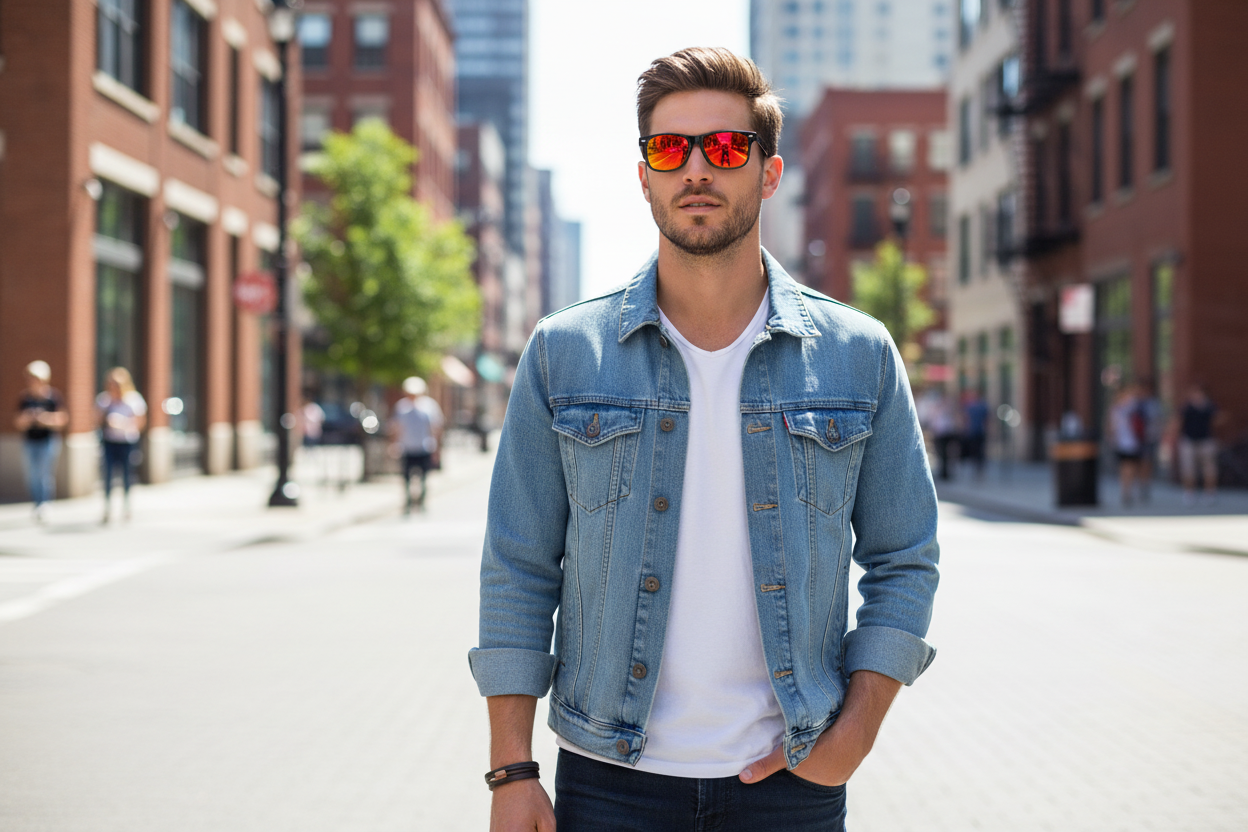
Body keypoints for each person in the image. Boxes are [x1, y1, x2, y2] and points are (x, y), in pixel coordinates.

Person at [470, 48, 940, 832]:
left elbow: (905, 557)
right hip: (608, 782)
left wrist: (854, 734)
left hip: (792, 784)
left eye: (725, 148)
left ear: (768, 172)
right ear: (644, 173)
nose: (697, 169)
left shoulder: (858, 353)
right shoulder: (564, 352)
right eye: (670, 148)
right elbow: (518, 568)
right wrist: (511, 771)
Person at [15, 360, 68, 523]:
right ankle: (37, 503)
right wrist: (28, 418)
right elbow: (18, 422)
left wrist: (45, 419)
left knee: (44, 474)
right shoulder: (25, 398)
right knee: (32, 474)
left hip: (48, 440)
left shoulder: (53, 397)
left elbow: (63, 419)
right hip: (30, 440)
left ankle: (45, 504)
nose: (32, 382)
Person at [96, 367, 147, 523]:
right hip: (109, 441)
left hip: (127, 442)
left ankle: (126, 507)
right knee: (108, 475)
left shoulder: (133, 400)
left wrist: (123, 423)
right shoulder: (104, 400)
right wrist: (106, 419)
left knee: (126, 475)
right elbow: (96, 420)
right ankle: (107, 507)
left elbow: (141, 423)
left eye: (117, 384)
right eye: (111, 384)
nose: (114, 388)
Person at [390, 376, 443, 513]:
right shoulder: (402, 407)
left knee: (424, 477)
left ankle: (422, 501)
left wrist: (437, 449)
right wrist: (394, 444)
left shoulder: (429, 406)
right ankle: (408, 501)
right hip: (407, 447)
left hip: (424, 446)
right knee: (406, 477)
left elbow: (436, 428)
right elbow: (397, 427)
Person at [1176, 383, 1220, 505]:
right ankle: (1189, 494)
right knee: (1188, 469)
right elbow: (1179, 422)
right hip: (1189, 440)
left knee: (1209, 469)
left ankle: (1210, 493)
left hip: (1206, 440)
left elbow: (1217, 419)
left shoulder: (1209, 406)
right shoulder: (1187, 407)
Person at [1109, 385, 1144, 506]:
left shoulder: (1132, 408)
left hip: (1133, 442)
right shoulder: (1119, 410)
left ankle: (1128, 490)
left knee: (1131, 468)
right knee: (1126, 467)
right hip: (1124, 443)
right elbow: (1111, 427)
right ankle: (1126, 491)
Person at [1133, 379, 1164, 502]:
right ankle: (1136, 485)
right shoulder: (1133, 403)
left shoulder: (1153, 404)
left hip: (1149, 437)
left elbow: (1159, 420)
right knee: (1134, 463)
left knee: (1147, 462)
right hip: (1133, 439)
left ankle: (1144, 485)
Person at [961, 389, 989, 480]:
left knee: (979, 451)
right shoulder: (973, 407)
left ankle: (978, 468)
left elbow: (987, 420)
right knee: (976, 451)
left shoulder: (979, 406)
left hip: (978, 432)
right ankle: (977, 468)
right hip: (974, 432)